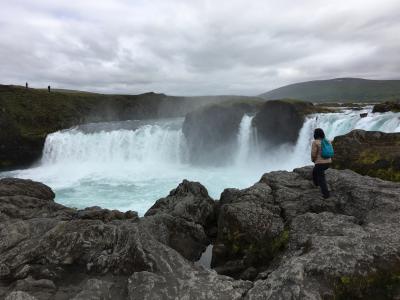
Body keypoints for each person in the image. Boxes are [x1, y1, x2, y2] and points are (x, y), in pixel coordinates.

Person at [311, 128, 331, 198]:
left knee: (321, 178)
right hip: (328, 162)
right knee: (314, 171)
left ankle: (326, 194)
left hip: (320, 163)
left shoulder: (315, 142)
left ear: (315, 134)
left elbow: (313, 154)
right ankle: (316, 184)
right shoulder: (327, 141)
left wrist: (313, 160)